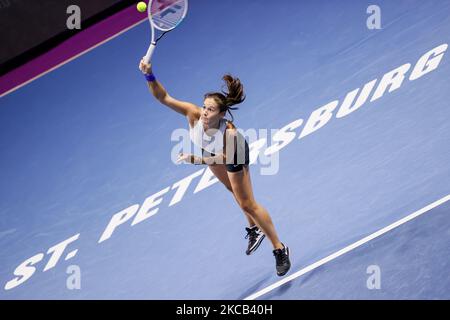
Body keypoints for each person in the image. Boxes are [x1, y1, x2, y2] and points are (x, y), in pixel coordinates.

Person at [139, 59, 291, 276]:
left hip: (232, 152)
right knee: (232, 190)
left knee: (247, 203)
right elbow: (163, 97)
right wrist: (149, 74)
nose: (204, 113)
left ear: (222, 114)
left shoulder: (230, 133)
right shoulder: (192, 114)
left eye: (210, 110)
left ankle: (279, 248)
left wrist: (195, 160)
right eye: (204, 107)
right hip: (211, 151)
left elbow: (223, 157)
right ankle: (254, 229)